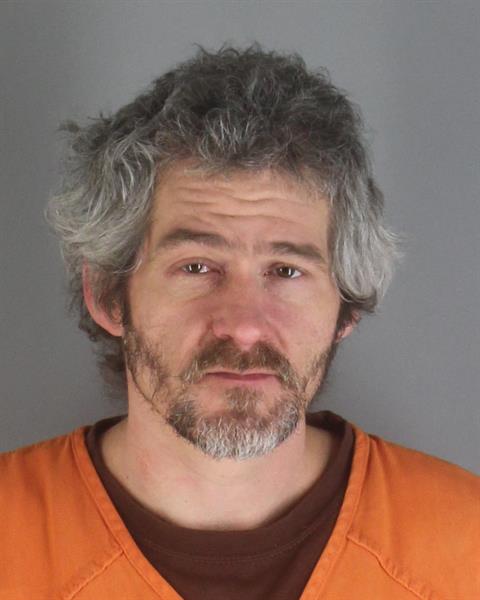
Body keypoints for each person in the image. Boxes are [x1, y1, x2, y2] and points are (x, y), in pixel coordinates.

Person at [1, 45, 478, 600]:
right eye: (197, 267)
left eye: (286, 270)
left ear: (346, 305)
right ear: (108, 294)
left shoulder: (466, 545)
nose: (245, 326)